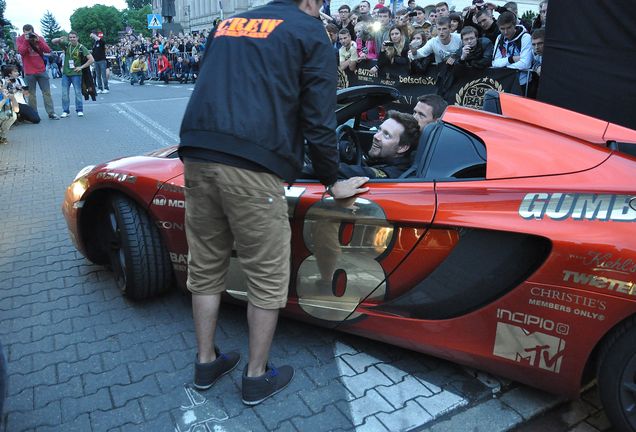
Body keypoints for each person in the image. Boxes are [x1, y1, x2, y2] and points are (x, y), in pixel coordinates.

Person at [178, 0, 369, 406]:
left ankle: (206, 361)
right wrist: (332, 178)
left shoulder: (229, 23)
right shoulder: (308, 30)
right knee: (267, 275)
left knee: (206, 261)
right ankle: (256, 376)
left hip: (196, 152)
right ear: (312, 1)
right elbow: (320, 117)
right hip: (254, 163)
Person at [338, 111, 421, 179]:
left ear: (402, 148)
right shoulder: (385, 159)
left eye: (386, 135)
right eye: (379, 130)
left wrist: (327, 163)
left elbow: (365, 173)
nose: (376, 136)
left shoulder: (392, 173)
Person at [15, 24, 59, 120]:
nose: (28, 35)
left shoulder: (39, 37)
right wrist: (26, 41)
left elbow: (47, 49)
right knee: (31, 94)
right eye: (26, 33)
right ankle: (34, 114)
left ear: (33, 31)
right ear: (23, 32)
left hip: (41, 70)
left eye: (30, 33)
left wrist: (38, 41)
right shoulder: (20, 39)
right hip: (29, 71)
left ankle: (51, 113)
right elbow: (21, 52)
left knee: (47, 92)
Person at [52, 32, 94, 118]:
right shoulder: (67, 45)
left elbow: (91, 59)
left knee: (77, 92)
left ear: (77, 38)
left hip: (76, 74)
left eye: (74, 37)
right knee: (64, 93)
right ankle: (65, 111)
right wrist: (60, 39)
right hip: (66, 74)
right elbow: (53, 41)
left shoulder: (81, 47)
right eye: (70, 37)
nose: (72, 39)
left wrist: (81, 67)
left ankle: (79, 110)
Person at [492, 11, 532, 86]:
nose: (506, 32)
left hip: (522, 82)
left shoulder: (525, 37)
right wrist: (511, 59)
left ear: (515, 25)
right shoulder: (499, 38)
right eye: (502, 29)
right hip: (505, 81)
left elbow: (525, 64)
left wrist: (504, 68)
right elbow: (495, 63)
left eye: (509, 27)